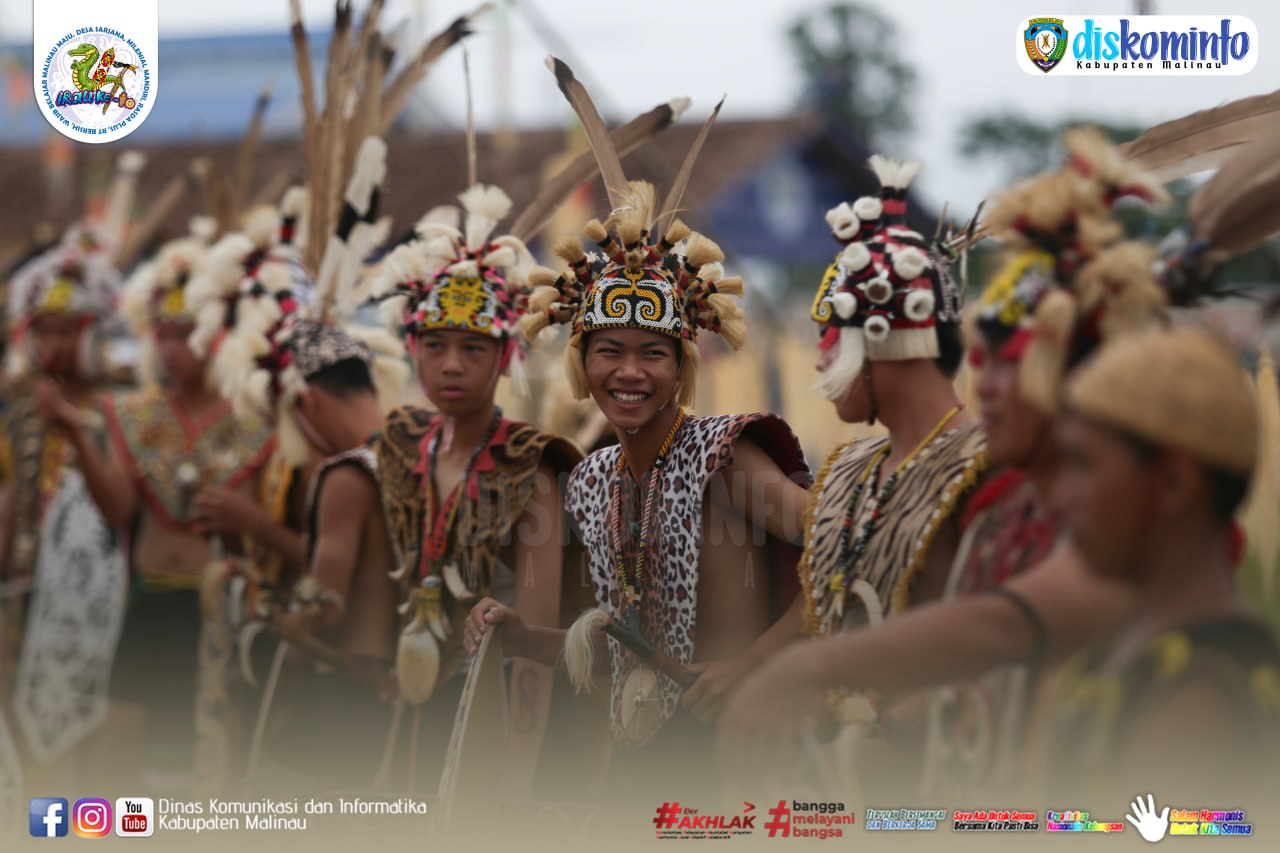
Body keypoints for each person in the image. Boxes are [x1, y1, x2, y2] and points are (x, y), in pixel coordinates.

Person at [465, 67, 810, 809]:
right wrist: (519, 634)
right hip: (635, 768)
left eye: (653, 353)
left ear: (682, 364)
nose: (630, 372)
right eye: (609, 350)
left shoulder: (726, 456)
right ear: (581, 362)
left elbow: (845, 551)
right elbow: (607, 645)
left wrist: (753, 664)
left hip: (735, 757)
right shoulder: (588, 480)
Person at [366, 184, 587, 797]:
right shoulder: (405, 445)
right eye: (435, 345)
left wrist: (514, 783)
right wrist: (389, 761)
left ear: (506, 355)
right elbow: (412, 606)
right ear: (412, 349)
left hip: (493, 723)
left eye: (473, 346)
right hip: (416, 713)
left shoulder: (531, 466)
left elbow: (532, 642)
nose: (452, 365)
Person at [1049, 325, 1279, 803]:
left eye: (1083, 465)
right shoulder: (1129, 647)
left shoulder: (1201, 690)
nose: (1061, 495)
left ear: (1174, 484)